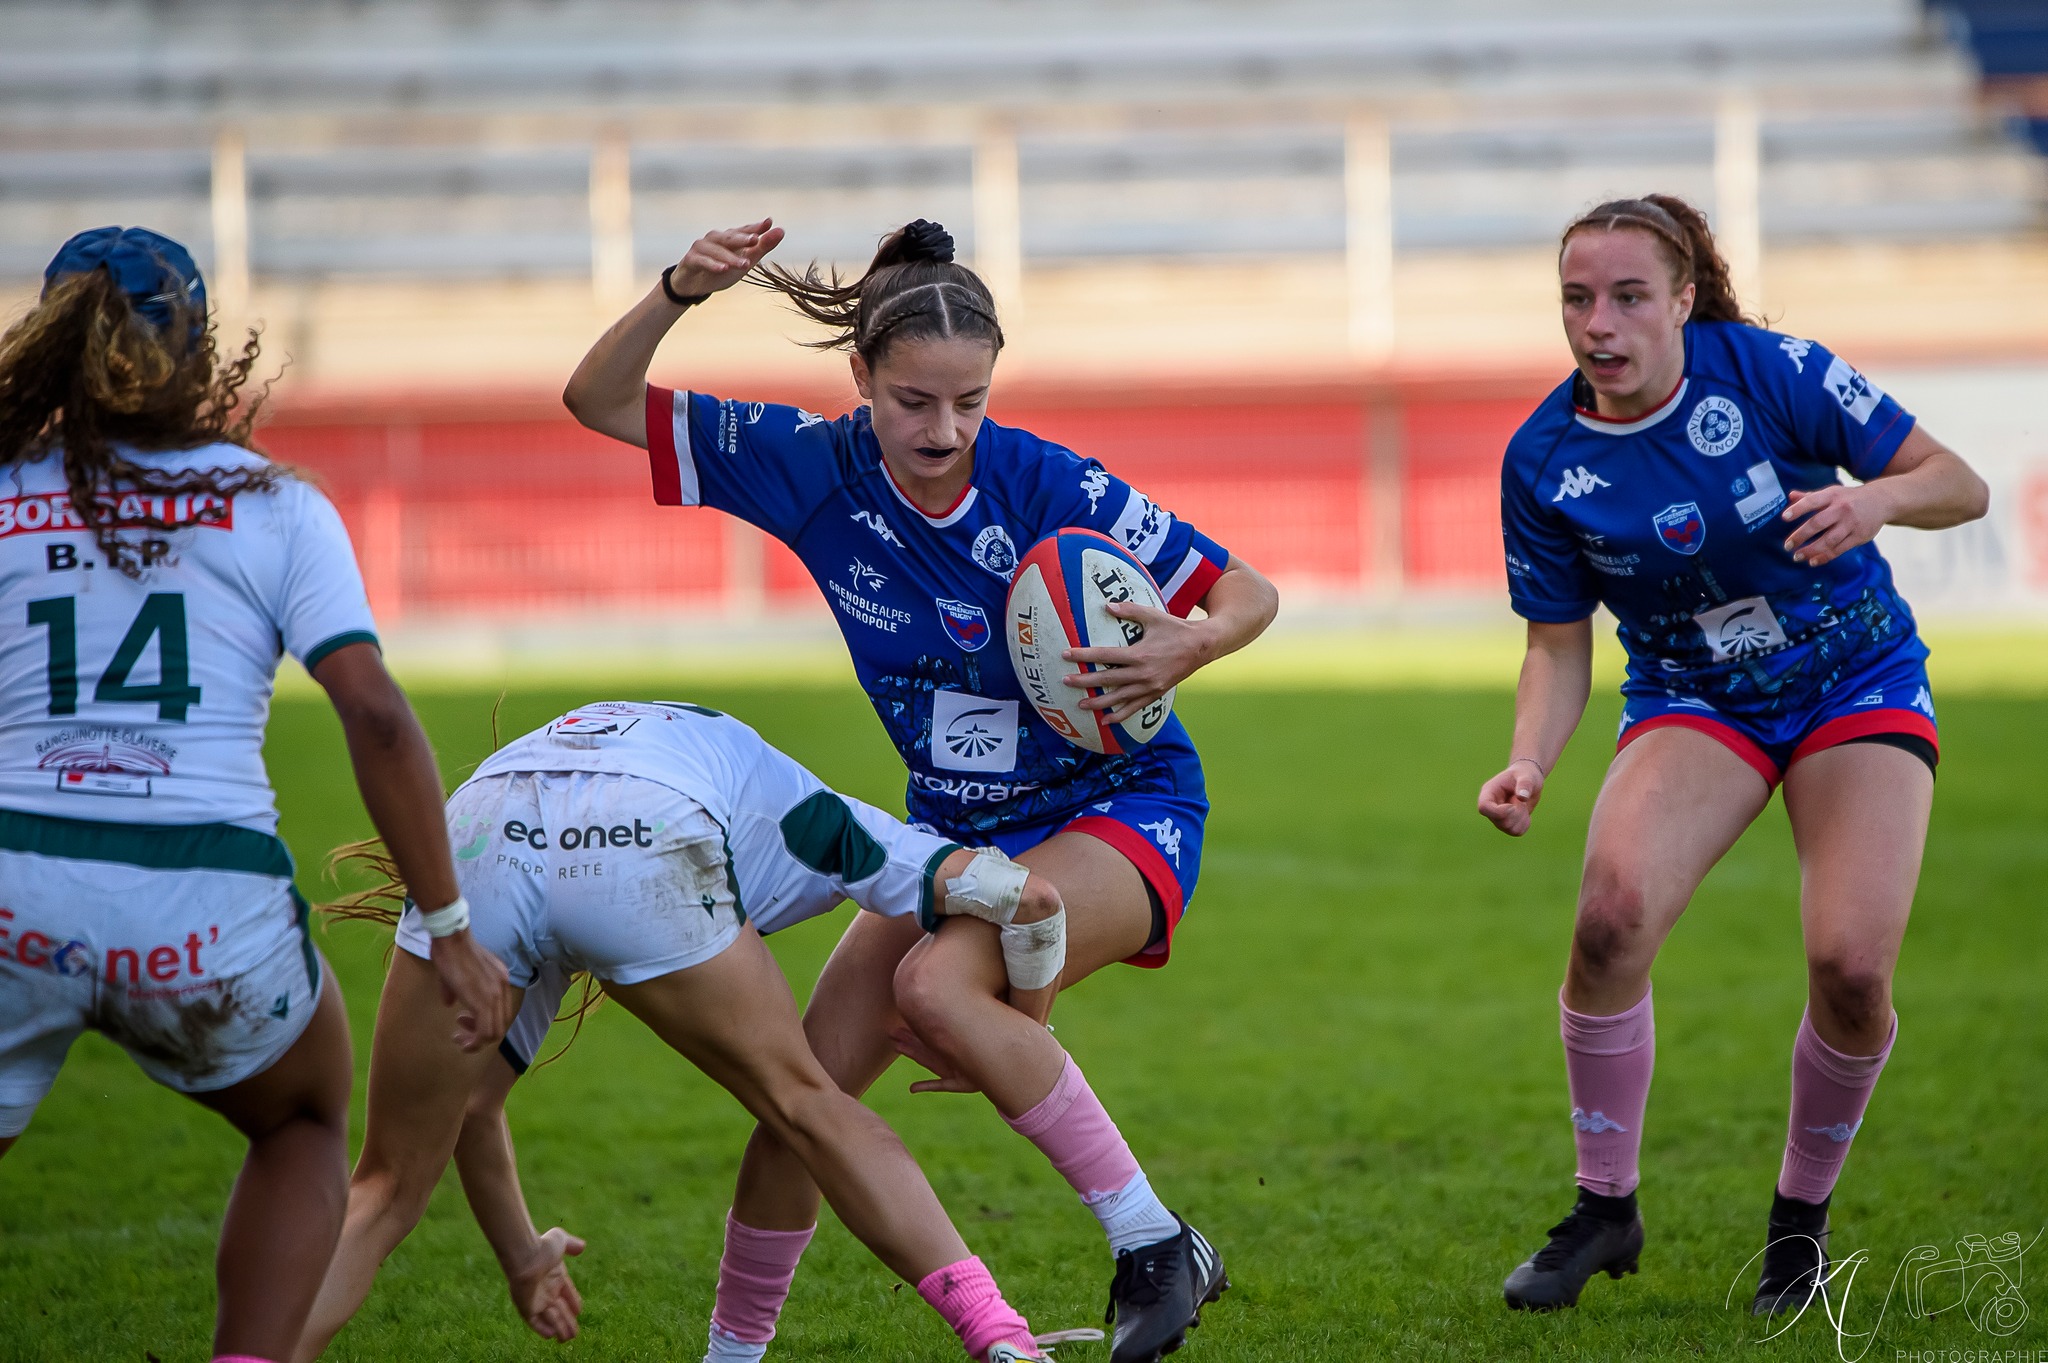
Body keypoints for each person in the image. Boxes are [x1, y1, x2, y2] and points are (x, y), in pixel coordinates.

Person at [563, 217, 1276, 1363]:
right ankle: (729, 1358)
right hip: (946, 835)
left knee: (936, 987)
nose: (944, 430)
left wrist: (1184, 650)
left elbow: (1247, 591)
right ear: (861, 380)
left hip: (1117, 807)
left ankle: (1155, 1243)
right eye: (912, 402)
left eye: (971, 401)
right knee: (796, 1104)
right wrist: (676, 290)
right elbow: (595, 399)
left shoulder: (1044, 480)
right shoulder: (811, 465)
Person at [0, 227, 511, 1363]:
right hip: (202, 899)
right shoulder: (271, 503)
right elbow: (374, 715)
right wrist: (449, 929)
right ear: (199, 348)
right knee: (300, 1119)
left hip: (12, 882)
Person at [1476, 195, 1989, 1315]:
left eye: (1624, 297)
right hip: (1694, 695)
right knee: (1608, 918)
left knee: (1850, 970)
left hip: (1850, 679)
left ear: (1682, 299)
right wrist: (1527, 761)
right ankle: (1602, 1206)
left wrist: (1874, 502)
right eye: (1575, 298)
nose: (1596, 323)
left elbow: (1960, 482)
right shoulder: (1542, 458)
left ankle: (1797, 1226)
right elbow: (1555, 649)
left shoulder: (1768, 371)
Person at [295, 698, 1076, 1363]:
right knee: (808, 1103)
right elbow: (1032, 900)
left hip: (479, 825)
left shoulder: (711, 761)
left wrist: (523, 1256)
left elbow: (471, 1104)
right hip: (643, 828)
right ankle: (1000, 1337)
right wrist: (1015, 1030)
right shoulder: (829, 821)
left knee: (386, 1185)